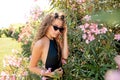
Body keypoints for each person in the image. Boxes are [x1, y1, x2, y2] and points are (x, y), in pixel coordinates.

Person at [29, 12, 69, 79]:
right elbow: (32, 67)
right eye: (55, 27)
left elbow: (65, 56)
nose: (58, 31)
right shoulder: (40, 43)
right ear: (47, 25)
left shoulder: (57, 40)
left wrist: (65, 34)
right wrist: (49, 74)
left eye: (60, 29)